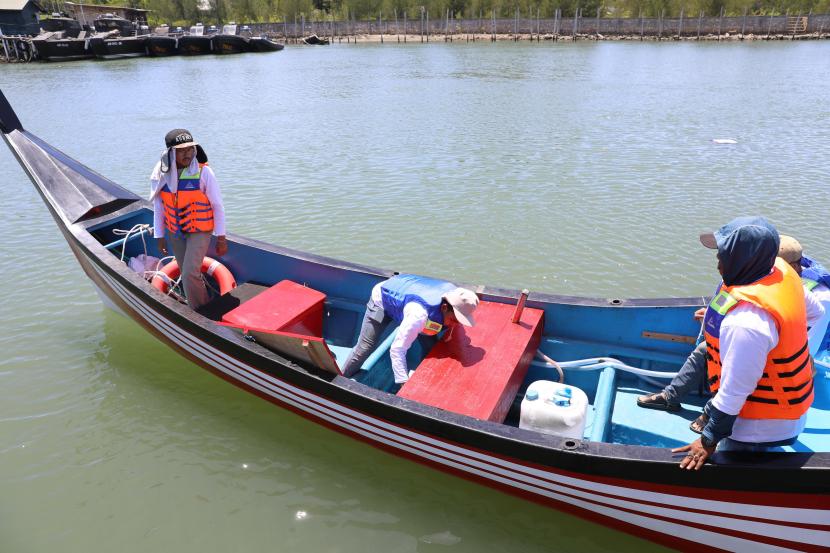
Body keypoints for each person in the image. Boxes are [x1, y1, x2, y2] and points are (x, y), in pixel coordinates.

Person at [637, 234, 826, 435]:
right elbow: (732, 298)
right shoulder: (754, 277)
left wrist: (710, 438)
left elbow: (810, 334)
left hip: (778, 372)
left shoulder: (805, 293)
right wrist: (710, 312)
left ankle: (711, 414)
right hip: (751, 347)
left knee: (740, 367)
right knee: (705, 350)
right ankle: (671, 396)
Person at [673, 217, 815, 470]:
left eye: (724, 255)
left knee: (721, 468)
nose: (718, 263)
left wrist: (708, 440)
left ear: (743, 260)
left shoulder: (746, 322)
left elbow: (734, 392)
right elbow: (813, 313)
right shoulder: (781, 271)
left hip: (757, 428)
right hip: (790, 413)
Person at [342, 274, 480, 385]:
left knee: (431, 346)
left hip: (410, 303)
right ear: (444, 308)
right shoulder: (419, 315)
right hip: (382, 299)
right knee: (365, 347)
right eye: (454, 320)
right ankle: (341, 378)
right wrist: (403, 382)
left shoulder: (453, 298)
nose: (454, 324)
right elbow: (397, 349)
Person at [150, 129, 227, 310]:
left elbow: (218, 206)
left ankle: (199, 312)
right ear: (170, 153)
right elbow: (159, 207)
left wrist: (221, 238)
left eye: (190, 149)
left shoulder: (204, 172)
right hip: (174, 230)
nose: (188, 154)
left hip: (200, 230)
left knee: (189, 273)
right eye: (181, 150)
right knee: (188, 272)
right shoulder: (161, 173)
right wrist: (160, 236)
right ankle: (203, 301)